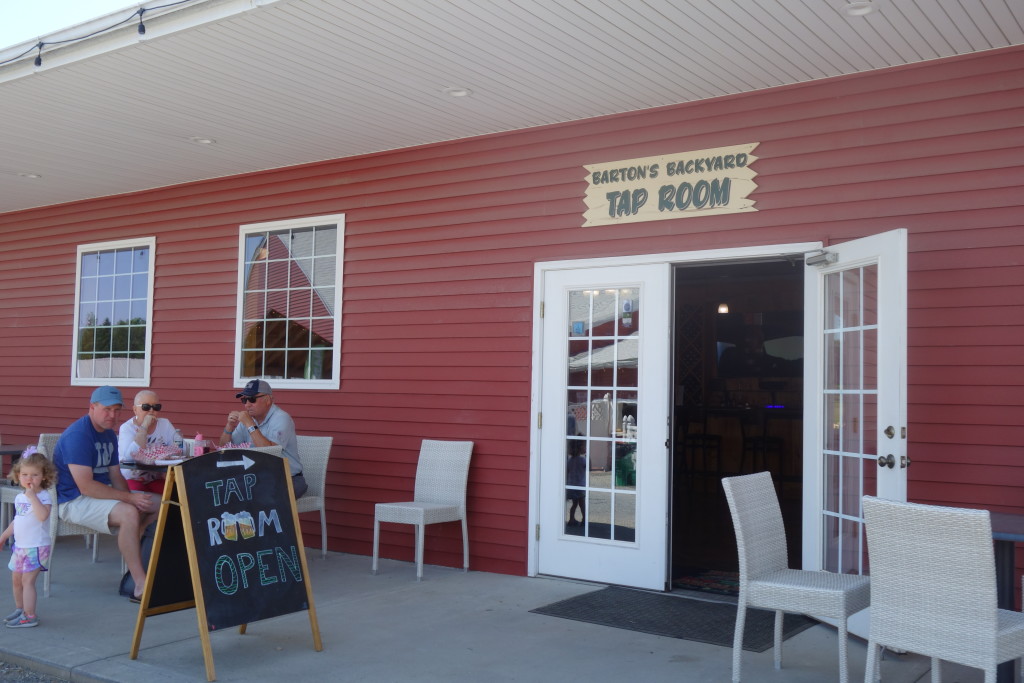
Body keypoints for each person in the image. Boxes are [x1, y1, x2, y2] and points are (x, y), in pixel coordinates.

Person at [52, 386, 160, 603]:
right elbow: (86, 487)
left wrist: (135, 498)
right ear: (92, 407)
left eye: (117, 410)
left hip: (100, 497)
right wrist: (130, 500)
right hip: (73, 500)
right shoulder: (78, 435)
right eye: (107, 410)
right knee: (129, 513)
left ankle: (140, 561)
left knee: (161, 504)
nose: (113, 416)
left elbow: (116, 475)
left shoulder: (109, 434)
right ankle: (140, 583)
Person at [218, 379, 307, 498]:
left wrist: (250, 424)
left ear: (268, 400)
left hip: (288, 478)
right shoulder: (249, 418)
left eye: (252, 399)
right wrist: (229, 426)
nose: (247, 405)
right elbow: (224, 449)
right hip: (257, 477)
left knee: (260, 496)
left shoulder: (281, 418)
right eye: (244, 400)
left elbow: (270, 453)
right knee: (225, 491)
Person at [0, 448, 56, 628]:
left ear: (44, 476)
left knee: (27, 581)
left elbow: (42, 516)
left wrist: (33, 498)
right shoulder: (20, 497)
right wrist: (3, 537)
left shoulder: (43, 496)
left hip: (37, 547)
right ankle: (20, 609)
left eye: (34, 475)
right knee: (16, 579)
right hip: (21, 546)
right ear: (18, 475)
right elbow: (18, 521)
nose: (29, 479)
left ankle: (30, 616)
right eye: (24, 474)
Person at [118, 390, 178, 494]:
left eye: (156, 407)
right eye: (146, 407)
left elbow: (179, 447)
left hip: (157, 476)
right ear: (135, 409)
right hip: (133, 477)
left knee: (175, 494)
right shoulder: (126, 428)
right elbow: (129, 457)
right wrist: (144, 427)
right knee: (142, 499)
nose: (151, 411)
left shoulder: (165, 424)